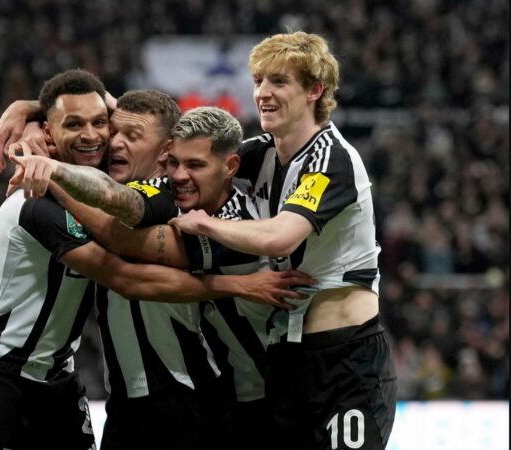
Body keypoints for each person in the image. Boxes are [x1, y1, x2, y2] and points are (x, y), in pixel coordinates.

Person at [0, 70, 295, 450]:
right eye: (113, 132)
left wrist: (52, 168)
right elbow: (89, 108)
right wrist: (29, 111)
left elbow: (125, 247)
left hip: (186, 395)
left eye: (130, 136)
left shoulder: (174, 199)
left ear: (166, 150)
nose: (112, 141)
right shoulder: (81, 185)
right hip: (84, 392)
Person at [169, 32, 398, 449]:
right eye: (258, 81)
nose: (262, 93)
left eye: (278, 81)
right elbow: (198, 164)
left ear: (314, 90)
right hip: (286, 361)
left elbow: (281, 237)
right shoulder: (262, 153)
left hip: (346, 359)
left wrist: (206, 225)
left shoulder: (331, 158)